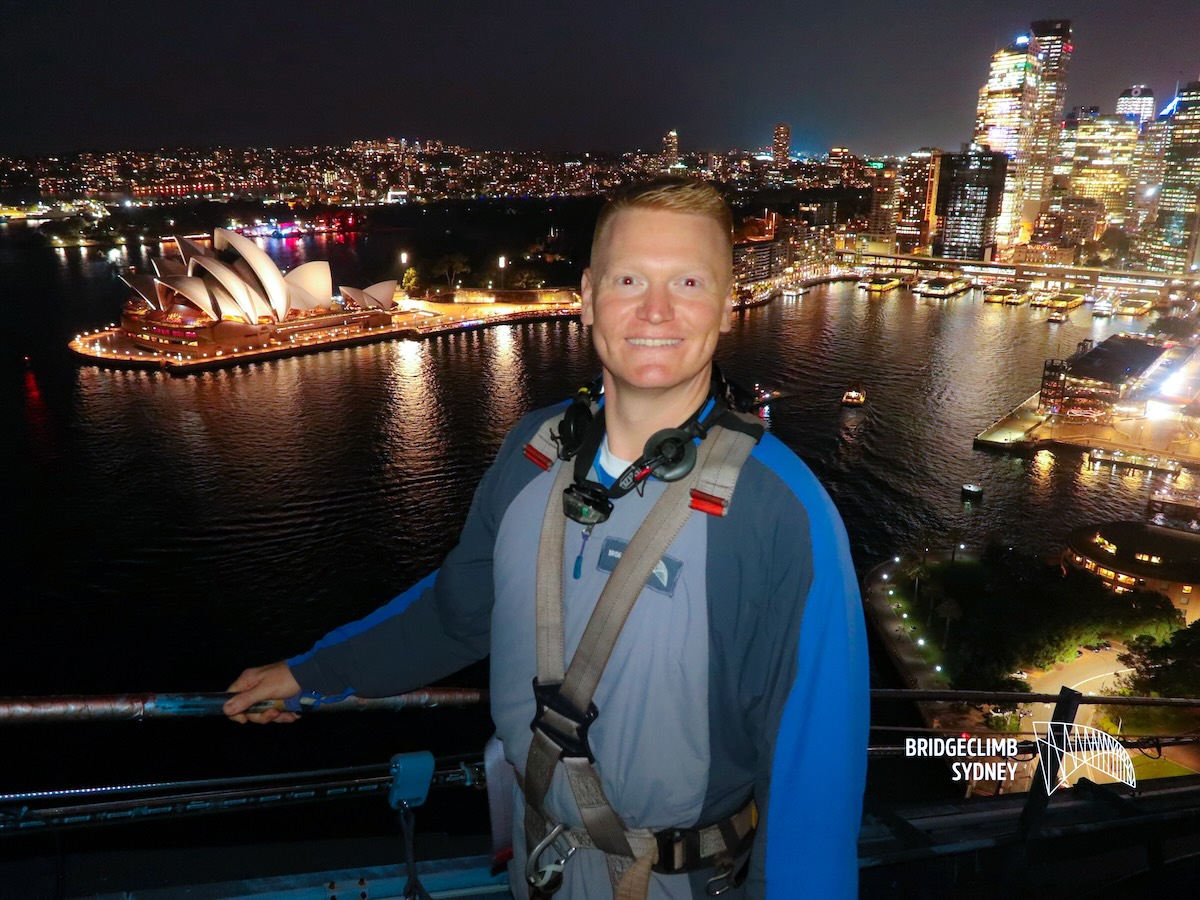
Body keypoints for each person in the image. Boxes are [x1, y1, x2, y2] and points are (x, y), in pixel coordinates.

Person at [225, 177, 869, 899]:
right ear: (589, 297)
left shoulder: (780, 510)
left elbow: (814, 780)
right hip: (541, 867)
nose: (655, 310)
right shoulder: (534, 448)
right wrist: (315, 672)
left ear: (726, 305)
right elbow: (457, 612)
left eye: (688, 281)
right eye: (629, 279)